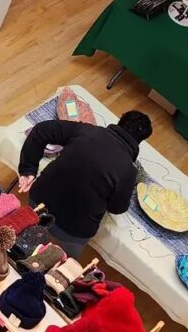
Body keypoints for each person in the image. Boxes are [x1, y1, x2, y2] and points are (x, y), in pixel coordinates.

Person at [16, 110, 153, 258]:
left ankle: (16, 250)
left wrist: (28, 169)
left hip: (40, 200)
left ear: (120, 121)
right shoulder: (129, 171)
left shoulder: (86, 130)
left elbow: (41, 130)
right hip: (74, 230)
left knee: (21, 240)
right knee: (61, 266)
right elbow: (117, 208)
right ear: (140, 141)